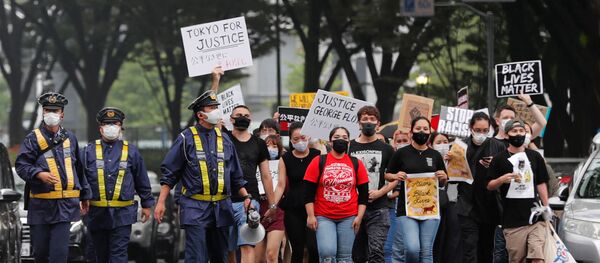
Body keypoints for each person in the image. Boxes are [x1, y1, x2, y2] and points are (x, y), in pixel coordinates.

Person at [154, 89, 252, 263]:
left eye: (216, 106)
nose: (216, 110)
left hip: (221, 207)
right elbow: (170, 173)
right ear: (200, 115)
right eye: (211, 107)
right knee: (196, 256)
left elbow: (236, 175)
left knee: (220, 256)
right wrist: (161, 202)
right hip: (195, 206)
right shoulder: (186, 138)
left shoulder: (225, 139)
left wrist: (246, 197)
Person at [15, 92, 91, 263]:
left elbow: (79, 168)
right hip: (41, 207)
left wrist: (85, 195)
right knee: (41, 253)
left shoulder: (70, 138)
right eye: (48, 110)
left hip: (65, 208)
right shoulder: (32, 139)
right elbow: (21, 165)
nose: (51, 114)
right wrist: (38, 174)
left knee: (59, 254)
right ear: (43, 111)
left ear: (62, 114)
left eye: (55, 111)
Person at [82, 107, 154, 263]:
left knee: (119, 257)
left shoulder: (132, 152)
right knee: (95, 255)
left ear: (121, 126)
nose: (111, 127)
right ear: (100, 128)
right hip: (96, 214)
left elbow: (142, 180)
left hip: (122, 214)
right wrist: (81, 198)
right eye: (107, 124)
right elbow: (80, 179)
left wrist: (147, 205)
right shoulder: (88, 151)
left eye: (115, 123)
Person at [385, 117, 448, 263]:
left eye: (425, 129)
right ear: (411, 131)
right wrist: (395, 175)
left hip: (430, 208)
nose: (422, 132)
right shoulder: (401, 153)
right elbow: (388, 175)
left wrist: (443, 176)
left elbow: (443, 182)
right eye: (418, 129)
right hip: (407, 209)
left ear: (430, 131)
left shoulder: (435, 155)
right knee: (412, 249)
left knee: (426, 252)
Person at [486, 119, 550, 263]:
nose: (519, 134)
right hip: (512, 221)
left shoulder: (535, 156)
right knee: (517, 259)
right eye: (514, 131)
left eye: (521, 131)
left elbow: (541, 182)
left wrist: (546, 207)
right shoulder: (499, 159)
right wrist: (502, 179)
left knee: (537, 257)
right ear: (507, 135)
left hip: (535, 218)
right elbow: (489, 185)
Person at [304, 127, 369, 262]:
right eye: (337, 137)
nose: (341, 140)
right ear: (330, 141)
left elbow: (363, 195)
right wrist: (310, 216)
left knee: (345, 258)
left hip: (349, 217)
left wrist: (359, 217)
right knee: (327, 254)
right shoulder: (318, 161)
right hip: (324, 216)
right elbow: (308, 193)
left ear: (349, 142)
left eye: (345, 138)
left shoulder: (356, 163)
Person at [454, 112, 506, 263]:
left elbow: (507, 173)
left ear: (490, 128)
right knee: (470, 248)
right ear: (471, 128)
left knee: (486, 248)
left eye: (485, 130)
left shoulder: (498, 146)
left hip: (489, 206)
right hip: (467, 206)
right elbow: (451, 179)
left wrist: (495, 165)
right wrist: (450, 164)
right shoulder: (460, 146)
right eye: (478, 130)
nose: (481, 134)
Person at [227, 105, 276, 263]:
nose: (243, 117)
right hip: (224, 200)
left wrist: (272, 204)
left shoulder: (259, 143)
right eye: (239, 114)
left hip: (249, 201)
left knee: (247, 244)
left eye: (246, 115)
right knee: (228, 248)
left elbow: (266, 175)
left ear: (251, 119)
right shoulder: (223, 139)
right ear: (231, 119)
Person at [349, 106, 397, 263]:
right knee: (357, 255)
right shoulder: (349, 147)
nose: (368, 122)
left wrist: (380, 193)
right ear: (359, 123)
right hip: (353, 208)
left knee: (376, 252)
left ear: (378, 124)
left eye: (372, 119)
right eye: (364, 119)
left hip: (379, 208)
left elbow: (395, 178)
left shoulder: (388, 149)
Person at [272, 122, 320, 263]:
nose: (300, 142)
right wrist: (272, 205)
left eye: (303, 137)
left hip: (314, 207)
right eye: (296, 139)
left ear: (308, 137)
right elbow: (280, 185)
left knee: (313, 248)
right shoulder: (285, 159)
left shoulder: (317, 155)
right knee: (298, 249)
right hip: (293, 208)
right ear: (291, 140)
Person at [428, 133, 461, 263]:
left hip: (452, 204)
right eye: (439, 142)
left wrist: (453, 165)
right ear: (431, 144)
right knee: (436, 240)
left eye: (445, 141)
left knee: (452, 239)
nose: (442, 145)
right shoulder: (429, 159)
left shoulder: (456, 160)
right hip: (433, 206)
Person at [255, 135, 286, 263]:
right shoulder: (255, 163)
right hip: (257, 211)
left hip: (276, 211)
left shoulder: (282, 162)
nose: (271, 149)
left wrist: (272, 205)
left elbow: (281, 185)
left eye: (274, 146)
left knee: (272, 254)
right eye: (267, 145)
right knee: (259, 257)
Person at [385, 129, 411, 263]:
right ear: (394, 143)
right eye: (399, 141)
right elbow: (388, 176)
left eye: (405, 141)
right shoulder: (392, 158)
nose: (402, 143)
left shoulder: (416, 157)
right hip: (394, 206)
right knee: (394, 245)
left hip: (413, 204)